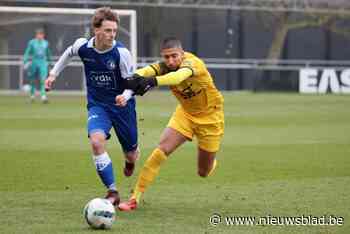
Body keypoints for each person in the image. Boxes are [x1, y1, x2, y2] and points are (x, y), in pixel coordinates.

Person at [116, 37, 225, 211]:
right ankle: (134, 198)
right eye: (166, 57)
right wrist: (135, 77)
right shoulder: (164, 65)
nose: (170, 61)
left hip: (210, 119)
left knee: (203, 172)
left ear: (182, 53)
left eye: (174, 56)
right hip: (185, 114)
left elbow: (177, 77)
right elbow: (149, 70)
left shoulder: (193, 63)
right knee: (160, 151)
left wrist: (152, 82)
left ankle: (211, 162)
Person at [45, 7, 139, 206]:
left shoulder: (121, 53)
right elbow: (67, 53)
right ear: (96, 30)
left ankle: (130, 161)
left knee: (131, 153)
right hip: (98, 106)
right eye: (107, 31)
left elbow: (132, 83)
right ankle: (112, 191)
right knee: (96, 143)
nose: (112, 35)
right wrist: (53, 74)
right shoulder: (83, 46)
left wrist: (125, 95)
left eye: (114, 31)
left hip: (123, 107)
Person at [23, 28, 52, 103]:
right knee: (32, 80)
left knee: (43, 80)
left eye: (41, 34)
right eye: (38, 34)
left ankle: (43, 96)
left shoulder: (46, 43)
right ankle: (32, 95)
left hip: (43, 63)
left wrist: (50, 63)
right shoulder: (32, 43)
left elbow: (48, 53)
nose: (40, 36)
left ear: (43, 35)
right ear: (36, 35)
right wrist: (25, 61)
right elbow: (27, 52)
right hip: (34, 62)